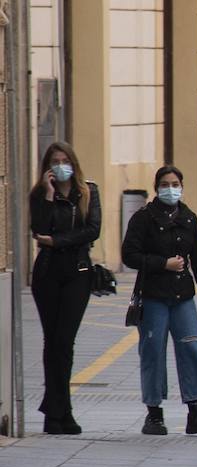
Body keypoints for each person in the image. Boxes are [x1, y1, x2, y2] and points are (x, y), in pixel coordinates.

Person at [121, 165, 197, 436]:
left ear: (182, 185)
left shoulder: (189, 218)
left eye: (175, 183)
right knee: (153, 352)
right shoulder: (144, 218)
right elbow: (129, 255)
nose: (170, 188)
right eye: (165, 184)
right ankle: (154, 414)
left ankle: (196, 410)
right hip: (153, 295)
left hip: (182, 297)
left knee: (191, 348)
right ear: (157, 188)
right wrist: (161, 263)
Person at [29, 142, 101, 435]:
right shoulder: (39, 194)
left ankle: (60, 409)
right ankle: (56, 414)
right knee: (52, 342)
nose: (60, 165)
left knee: (64, 341)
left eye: (65, 160)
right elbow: (39, 229)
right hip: (47, 274)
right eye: (55, 161)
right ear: (47, 167)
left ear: (73, 162)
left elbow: (93, 229)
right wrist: (48, 195)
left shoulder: (88, 192)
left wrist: (58, 241)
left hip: (78, 273)